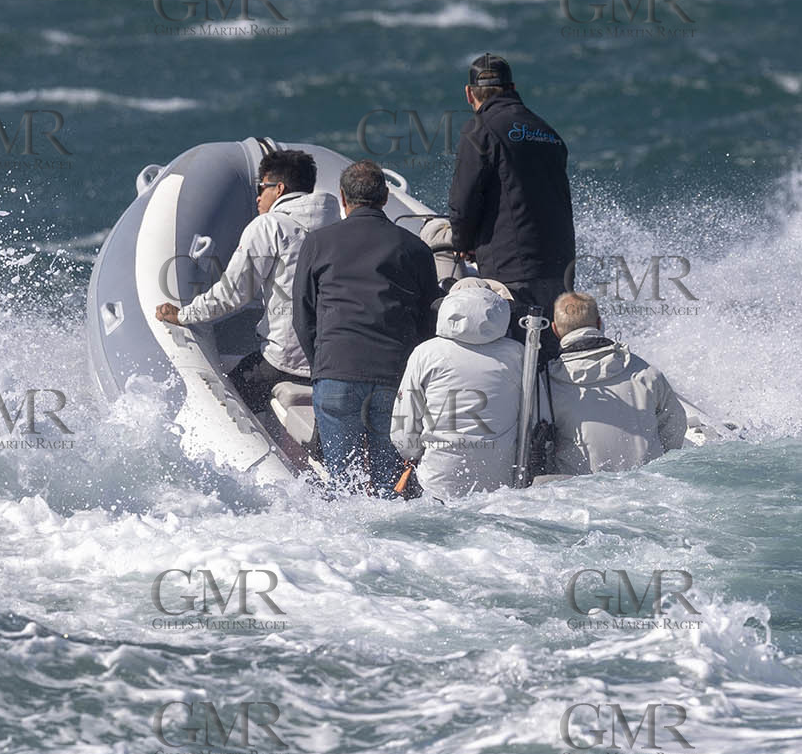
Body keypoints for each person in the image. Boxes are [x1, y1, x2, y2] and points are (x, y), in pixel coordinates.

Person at [153, 149, 339, 414]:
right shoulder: (340, 224)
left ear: (280, 188)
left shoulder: (268, 226)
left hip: (287, 362)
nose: (258, 196)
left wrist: (184, 315)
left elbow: (233, 295)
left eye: (262, 187)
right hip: (336, 360)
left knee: (227, 399)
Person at [292, 160, 438, 494]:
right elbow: (429, 321)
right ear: (386, 197)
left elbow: (302, 315)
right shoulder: (415, 248)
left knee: (345, 486)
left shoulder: (318, 242)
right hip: (393, 378)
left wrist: (323, 368)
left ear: (343, 198)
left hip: (336, 372)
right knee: (390, 485)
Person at [448, 53, 575, 357]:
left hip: (512, 269)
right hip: (560, 267)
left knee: (517, 357)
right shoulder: (547, 132)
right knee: (550, 359)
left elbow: (463, 200)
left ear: (469, 93)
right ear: (513, 87)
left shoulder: (480, 129)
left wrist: (462, 243)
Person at [390, 278, 524, 500]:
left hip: (436, 484)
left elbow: (403, 428)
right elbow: (535, 419)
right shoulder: (519, 354)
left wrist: (413, 454)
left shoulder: (426, 353)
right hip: (500, 486)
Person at [545, 292, 687, 475]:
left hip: (580, 493)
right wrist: (660, 460)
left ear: (555, 329)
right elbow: (676, 423)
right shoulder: (646, 372)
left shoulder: (546, 384)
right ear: (599, 323)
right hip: (649, 484)